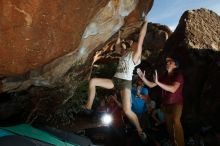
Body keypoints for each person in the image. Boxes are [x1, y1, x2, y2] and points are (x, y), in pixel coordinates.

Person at [82, 16, 149, 142]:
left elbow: (141, 38)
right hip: (115, 81)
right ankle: (88, 107)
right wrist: (119, 33)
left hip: (125, 83)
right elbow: (118, 47)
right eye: (132, 43)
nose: (133, 43)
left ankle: (140, 130)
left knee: (127, 111)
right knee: (93, 81)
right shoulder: (125, 54)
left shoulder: (135, 56)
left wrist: (145, 23)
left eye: (134, 43)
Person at [137, 56, 185, 146]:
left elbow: (173, 89)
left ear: (175, 65)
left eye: (170, 62)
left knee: (176, 121)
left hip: (176, 104)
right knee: (170, 128)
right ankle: (174, 143)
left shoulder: (178, 76)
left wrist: (158, 83)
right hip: (166, 105)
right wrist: (143, 78)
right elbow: (151, 85)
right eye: (167, 62)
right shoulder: (164, 76)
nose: (167, 63)